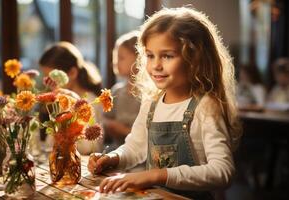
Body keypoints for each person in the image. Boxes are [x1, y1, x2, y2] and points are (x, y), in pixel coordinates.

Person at [88, 7, 242, 199]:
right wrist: (113, 158)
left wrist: (156, 175)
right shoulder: (152, 102)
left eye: (167, 56)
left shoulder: (206, 106)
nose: (156, 65)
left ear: (194, 58)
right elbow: (135, 147)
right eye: (150, 55)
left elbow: (222, 172)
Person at [39, 41, 104, 155]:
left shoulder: (90, 102)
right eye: (46, 80)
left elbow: (87, 148)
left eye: (52, 79)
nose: (48, 85)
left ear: (72, 73)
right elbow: (51, 143)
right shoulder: (61, 101)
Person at [104, 31, 141, 150]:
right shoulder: (117, 91)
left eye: (121, 58)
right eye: (115, 58)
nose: (115, 62)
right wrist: (110, 126)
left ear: (139, 58)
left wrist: (124, 130)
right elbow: (106, 117)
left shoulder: (147, 95)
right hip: (117, 149)